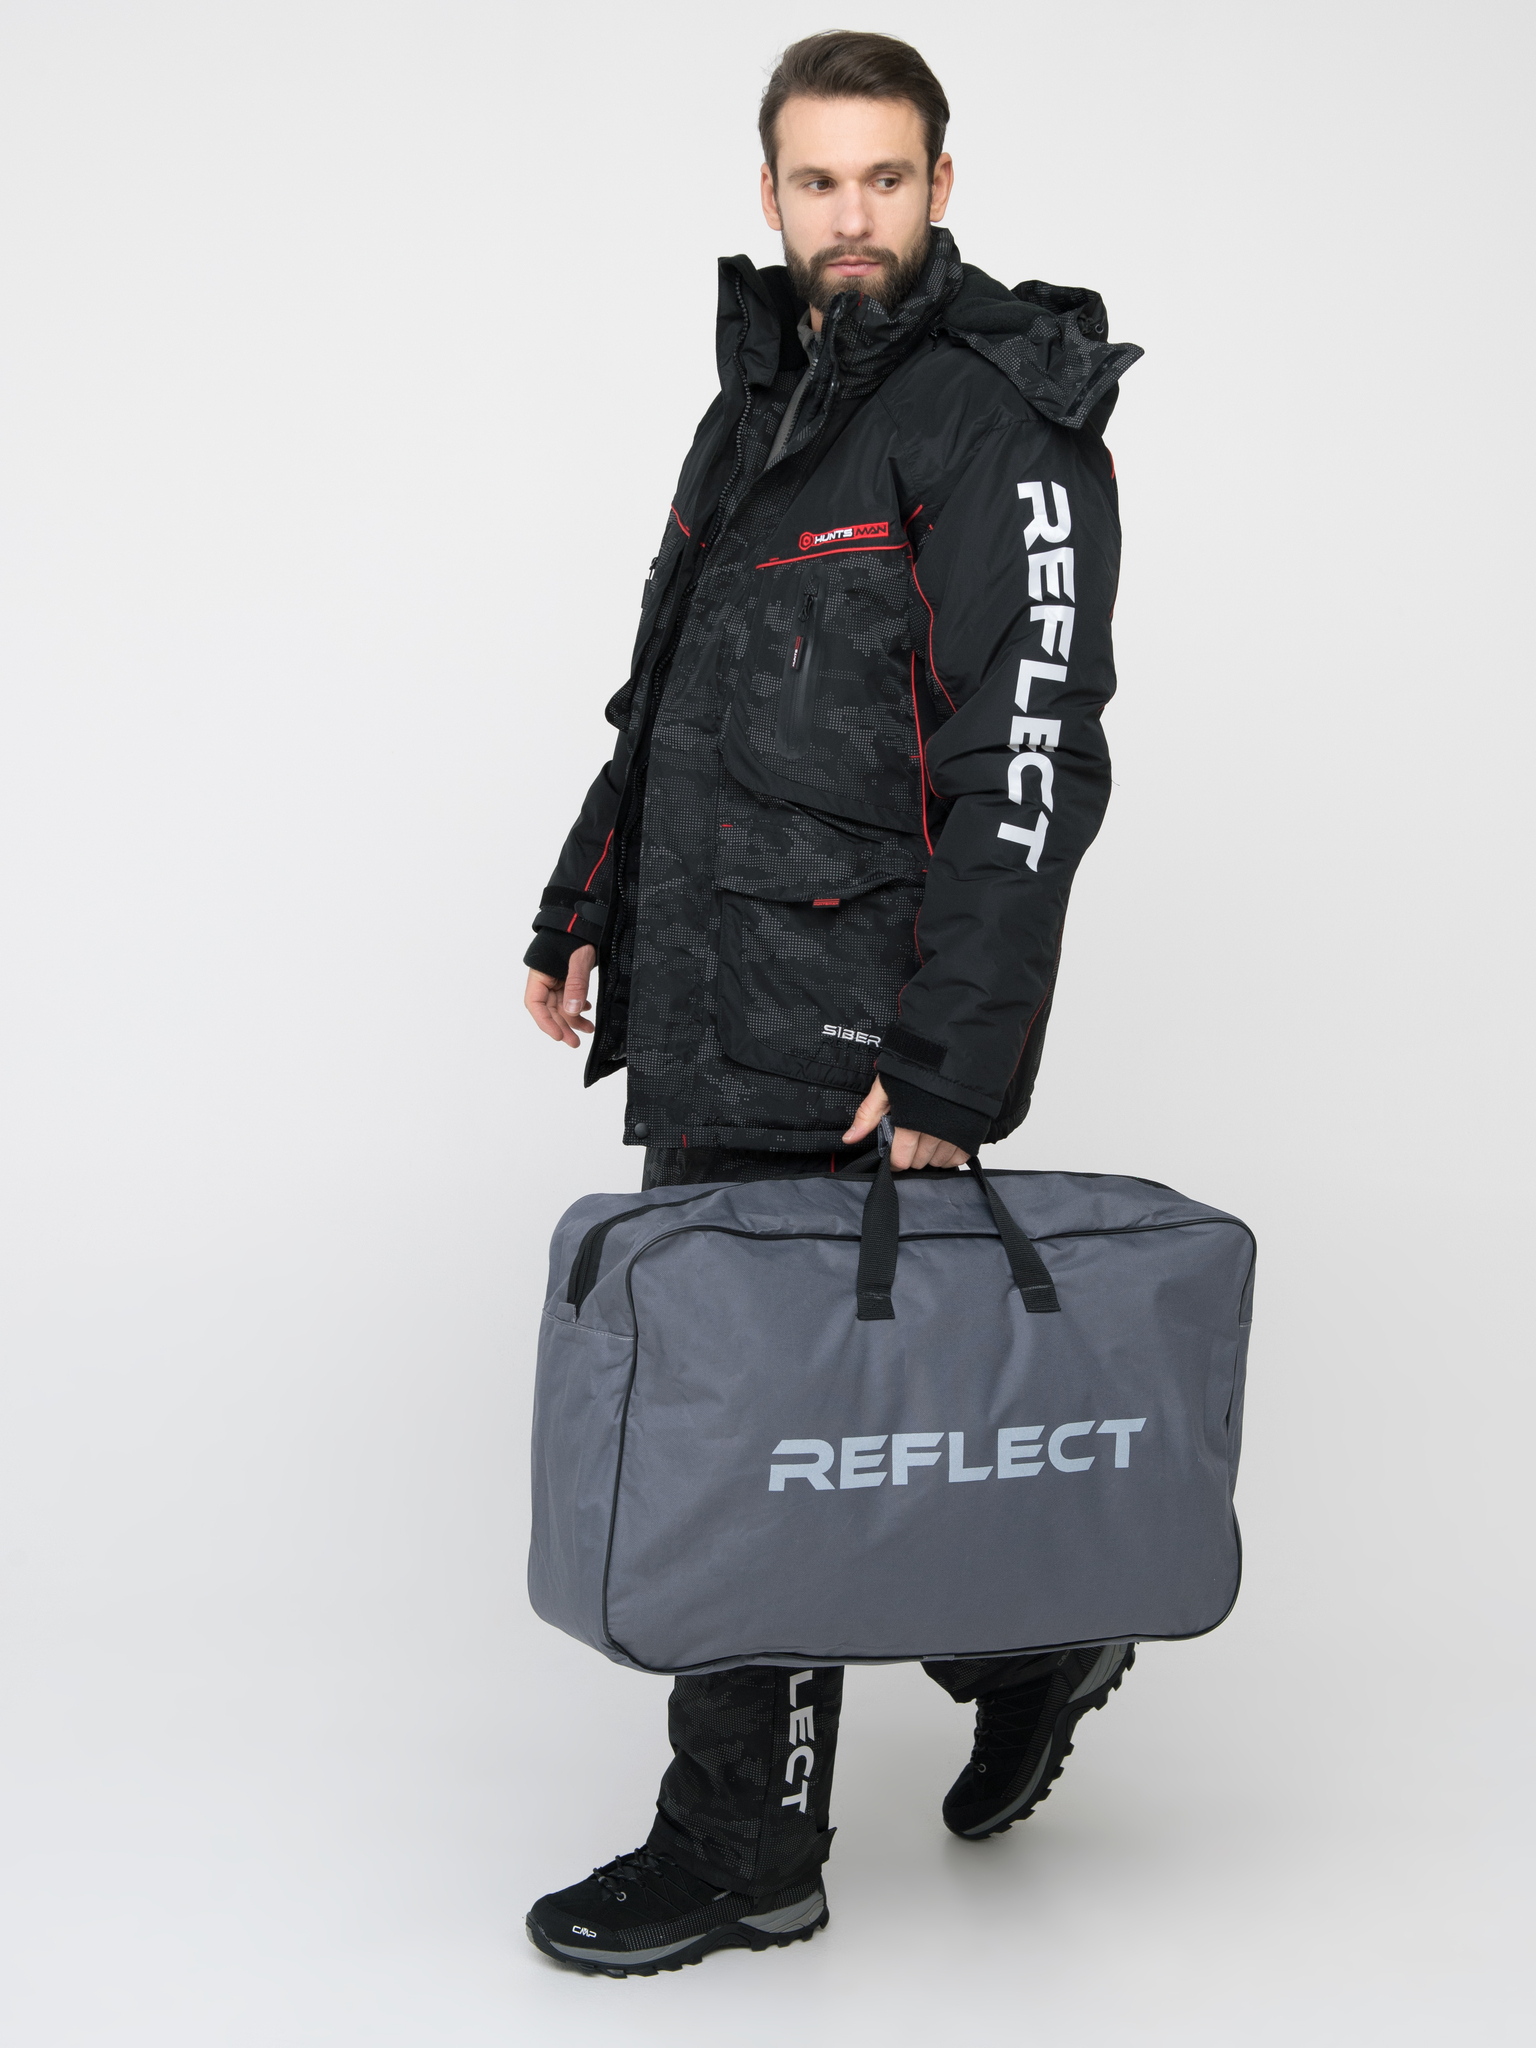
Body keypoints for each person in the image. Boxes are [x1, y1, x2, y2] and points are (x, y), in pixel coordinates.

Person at [520, 30, 1142, 1977]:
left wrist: (955, 1062)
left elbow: (1028, 757)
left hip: (861, 1021)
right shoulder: (762, 405)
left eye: (885, 178)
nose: (850, 214)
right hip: (715, 982)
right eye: (817, 181)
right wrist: (581, 905)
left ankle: (745, 1848)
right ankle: (1029, 1640)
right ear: (773, 194)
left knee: (750, 1424)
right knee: (830, 1412)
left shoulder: (1000, 420)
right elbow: (673, 692)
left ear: (941, 186)